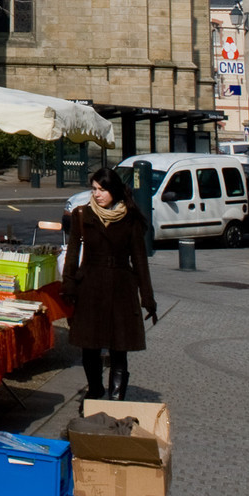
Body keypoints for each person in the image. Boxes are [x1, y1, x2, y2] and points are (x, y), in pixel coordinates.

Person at [62, 168, 157, 399]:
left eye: (102, 189)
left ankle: (116, 399)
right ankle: (95, 390)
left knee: (119, 347)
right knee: (90, 346)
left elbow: (140, 260)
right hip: (90, 287)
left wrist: (147, 298)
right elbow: (73, 253)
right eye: (94, 189)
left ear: (113, 190)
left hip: (120, 288)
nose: (97, 194)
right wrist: (69, 286)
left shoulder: (130, 218)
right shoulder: (82, 215)